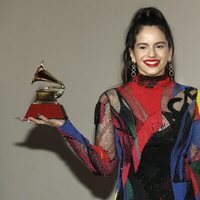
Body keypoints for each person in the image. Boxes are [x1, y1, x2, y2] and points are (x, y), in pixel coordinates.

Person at [27, 7, 200, 200]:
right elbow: (103, 166)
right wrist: (65, 127)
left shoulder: (191, 98)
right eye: (143, 46)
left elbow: (197, 162)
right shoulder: (112, 100)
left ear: (170, 53)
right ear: (132, 54)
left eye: (159, 46)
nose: (152, 53)